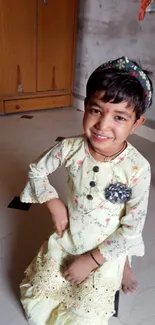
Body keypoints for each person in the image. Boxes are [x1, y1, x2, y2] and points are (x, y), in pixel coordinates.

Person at [20, 56, 153, 325]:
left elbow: (131, 229)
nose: (103, 125)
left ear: (137, 123)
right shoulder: (70, 148)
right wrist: (54, 202)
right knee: (37, 304)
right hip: (70, 235)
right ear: (84, 107)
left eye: (119, 117)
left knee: (84, 316)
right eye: (96, 110)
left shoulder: (138, 169)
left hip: (107, 243)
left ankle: (123, 264)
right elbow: (37, 170)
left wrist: (92, 260)